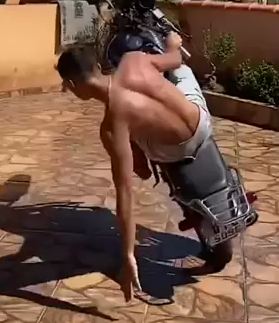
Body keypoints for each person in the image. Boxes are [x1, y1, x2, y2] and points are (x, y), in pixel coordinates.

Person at [56, 32, 212, 302]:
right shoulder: (134, 59)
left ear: (71, 84)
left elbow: (125, 194)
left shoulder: (111, 127)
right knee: (182, 71)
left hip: (174, 150)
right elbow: (175, 59)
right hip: (202, 124)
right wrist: (172, 44)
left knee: (131, 137)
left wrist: (129, 254)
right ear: (98, 66)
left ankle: (147, 161)